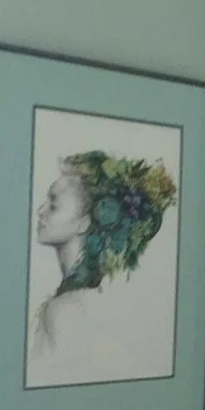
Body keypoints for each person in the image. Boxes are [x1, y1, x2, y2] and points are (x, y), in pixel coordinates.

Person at [30, 149, 180, 371]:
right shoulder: (94, 300)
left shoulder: (62, 311)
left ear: (84, 222)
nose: (40, 211)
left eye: (54, 204)